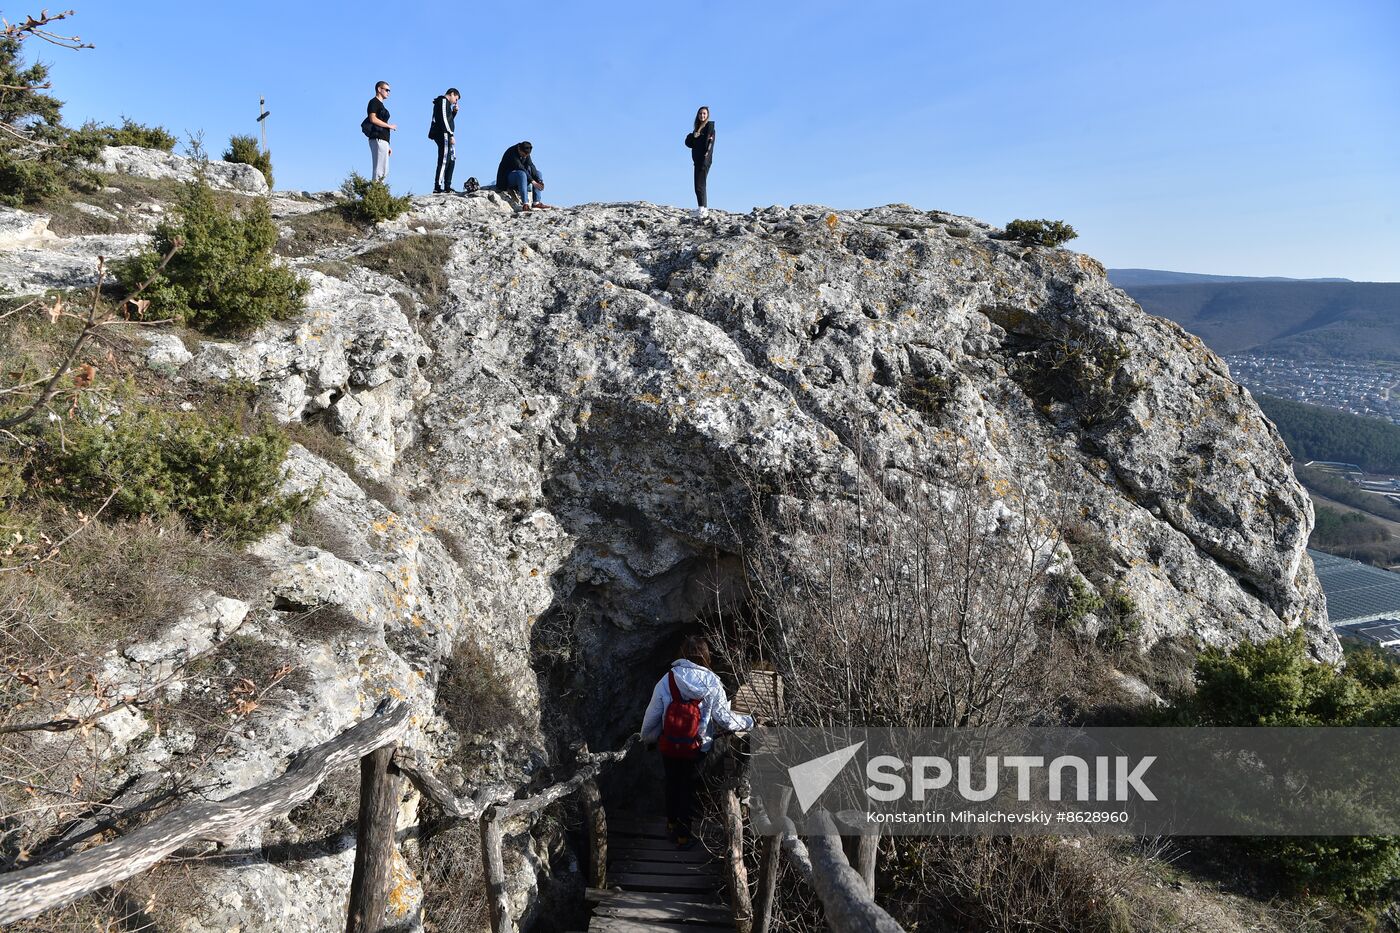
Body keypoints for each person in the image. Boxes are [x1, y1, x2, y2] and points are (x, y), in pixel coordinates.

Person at [639, 635, 753, 848]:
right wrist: (748, 721)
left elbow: (652, 715)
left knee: (672, 783)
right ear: (706, 656)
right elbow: (725, 719)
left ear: (682, 655)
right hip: (697, 747)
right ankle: (684, 835)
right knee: (688, 788)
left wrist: (649, 738)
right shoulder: (712, 682)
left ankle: (671, 824)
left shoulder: (668, 679)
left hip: (670, 745)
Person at [495, 140, 547, 210]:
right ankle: (525, 204)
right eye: (523, 155)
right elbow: (520, 167)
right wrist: (533, 181)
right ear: (519, 149)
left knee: (538, 173)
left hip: (521, 179)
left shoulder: (525, 151)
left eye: (526, 156)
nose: (525, 157)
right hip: (506, 179)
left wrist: (539, 181)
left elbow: (531, 165)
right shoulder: (512, 152)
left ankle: (536, 203)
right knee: (521, 174)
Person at [684, 106, 715, 217]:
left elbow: (710, 144)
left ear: (707, 115)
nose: (702, 115)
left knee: (699, 185)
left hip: (704, 160)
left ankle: (702, 210)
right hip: (698, 161)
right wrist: (693, 136)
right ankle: (703, 208)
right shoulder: (697, 129)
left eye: (704, 114)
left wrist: (706, 156)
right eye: (700, 113)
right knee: (700, 184)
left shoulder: (709, 128)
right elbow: (689, 144)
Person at [429, 88, 460, 193]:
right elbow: (443, 118)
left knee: (451, 159)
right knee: (444, 159)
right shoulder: (443, 101)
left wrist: (453, 113)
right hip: (443, 134)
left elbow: (447, 118)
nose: (455, 102)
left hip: (446, 133)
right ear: (451, 94)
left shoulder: (446, 105)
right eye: (456, 99)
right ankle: (437, 186)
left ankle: (448, 185)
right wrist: (450, 134)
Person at [365, 81, 396, 181]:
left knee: (384, 169)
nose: (388, 92)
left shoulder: (381, 105)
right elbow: (372, 119)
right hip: (377, 138)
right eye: (386, 90)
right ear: (379, 89)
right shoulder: (373, 102)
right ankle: (376, 193)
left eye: (389, 90)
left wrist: (388, 145)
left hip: (383, 140)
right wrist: (389, 126)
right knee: (379, 169)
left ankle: (380, 192)